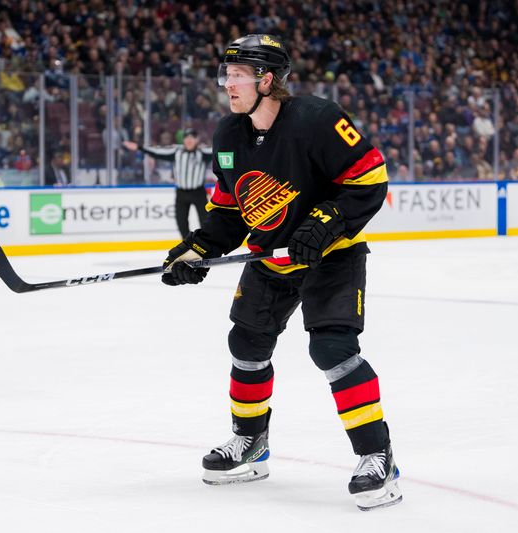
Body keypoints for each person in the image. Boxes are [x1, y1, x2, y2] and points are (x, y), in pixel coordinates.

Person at [160, 34, 401, 511]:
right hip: (270, 259)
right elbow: (229, 210)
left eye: (237, 75)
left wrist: (325, 223)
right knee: (246, 343)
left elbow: (370, 179)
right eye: (225, 74)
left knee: (332, 347)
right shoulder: (229, 135)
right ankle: (251, 443)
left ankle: (378, 456)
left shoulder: (317, 118)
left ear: (266, 80)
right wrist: (197, 249)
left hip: (332, 256)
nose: (227, 83)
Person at [123, 129, 212, 238]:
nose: (189, 140)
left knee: (205, 221)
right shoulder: (176, 152)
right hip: (181, 193)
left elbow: (218, 151)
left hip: (198, 193)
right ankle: (189, 245)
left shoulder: (202, 153)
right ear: (183, 140)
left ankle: (207, 244)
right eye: (186, 138)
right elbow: (157, 151)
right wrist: (139, 147)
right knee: (181, 222)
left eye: (192, 137)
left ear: (197, 139)